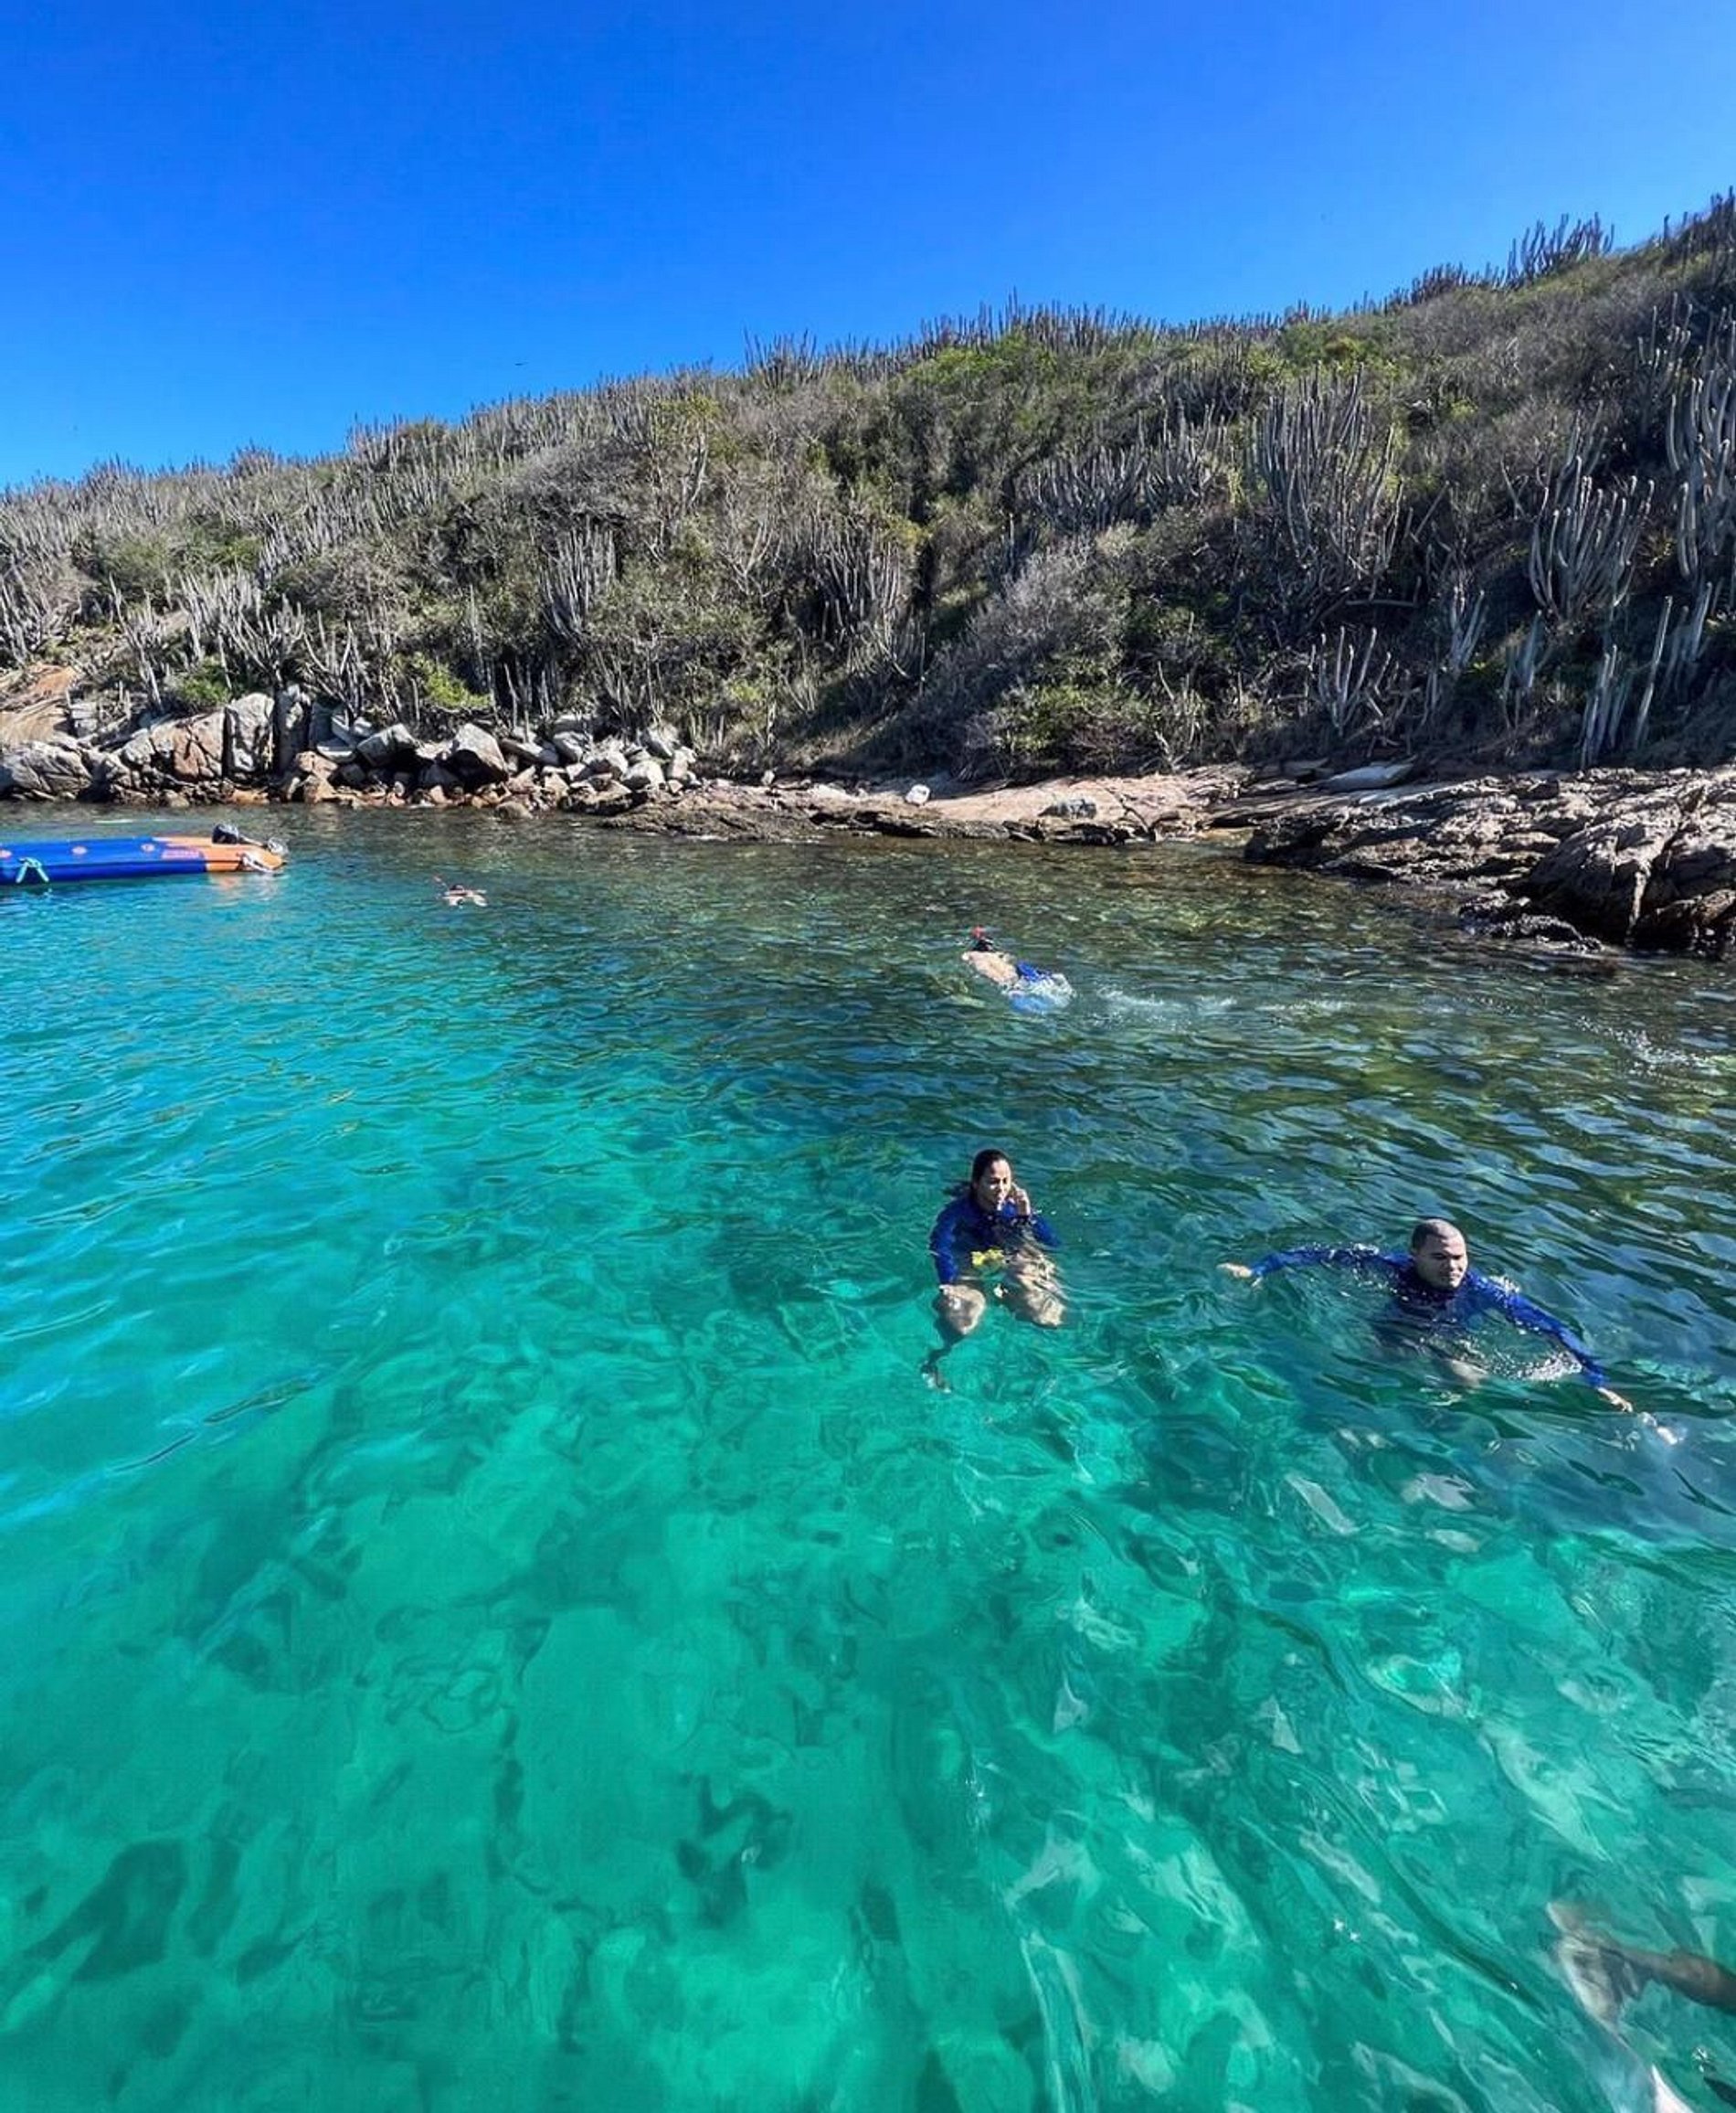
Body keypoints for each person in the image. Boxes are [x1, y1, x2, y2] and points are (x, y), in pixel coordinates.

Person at [1221, 1216, 1633, 1409]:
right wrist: (1258, 1269)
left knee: (1467, 1382)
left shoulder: (1483, 1290)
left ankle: (1446, 1427)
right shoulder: (1391, 1266)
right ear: (1415, 1253)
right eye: (1440, 1257)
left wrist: (1596, 1380)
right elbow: (1318, 1255)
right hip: (1398, 1329)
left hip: (1451, 1337)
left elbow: (1552, 1328)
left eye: (1460, 1257)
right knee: (1369, 1369)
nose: (1453, 1267)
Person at [926, 1150, 1064, 1384]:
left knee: (1047, 1315)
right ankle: (935, 1358)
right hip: (970, 1260)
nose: (1001, 1189)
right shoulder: (956, 1212)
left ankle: (1046, 1359)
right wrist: (947, 1281)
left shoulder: (1015, 1208)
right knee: (960, 1322)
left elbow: (1053, 1243)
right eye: (993, 1182)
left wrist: (1026, 1216)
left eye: (1006, 1181)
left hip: (1008, 1256)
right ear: (976, 1183)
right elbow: (940, 1245)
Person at [962, 927, 1071, 1003]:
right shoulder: (997, 955)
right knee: (1016, 978)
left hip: (999, 980)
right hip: (1015, 975)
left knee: (1003, 982)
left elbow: (965, 959)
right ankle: (1048, 978)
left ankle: (1014, 991)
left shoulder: (970, 955)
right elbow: (1011, 958)